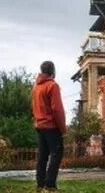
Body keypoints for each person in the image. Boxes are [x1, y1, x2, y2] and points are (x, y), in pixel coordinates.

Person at [32, 60, 67, 191]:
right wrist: (63, 129)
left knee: (42, 156)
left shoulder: (36, 88)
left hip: (40, 126)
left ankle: (40, 184)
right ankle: (50, 184)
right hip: (51, 126)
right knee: (56, 154)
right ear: (53, 72)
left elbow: (34, 108)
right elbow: (57, 109)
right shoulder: (52, 86)